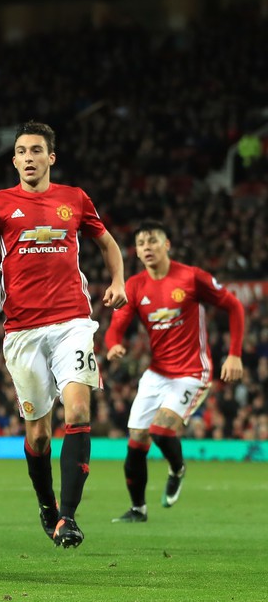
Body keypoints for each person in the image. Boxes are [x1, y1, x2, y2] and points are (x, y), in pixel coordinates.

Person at [0, 121, 127, 549]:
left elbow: (107, 244)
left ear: (51, 157)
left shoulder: (75, 199)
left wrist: (119, 280)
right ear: (13, 160)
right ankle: (46, 503)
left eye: (36, 150)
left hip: (73, 321)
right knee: (38, 435)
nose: (28, 157)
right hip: (23, 331)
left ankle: (68, 517)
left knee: (80, 410)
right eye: (21, 151)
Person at [105, 220, 245, 523]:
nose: (147, 247)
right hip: (157, 373)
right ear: (138, 253)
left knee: (160, 430)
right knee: (137, 439)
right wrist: (114, 344)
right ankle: (138, 509)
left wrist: (234, 354)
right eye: (141, 244)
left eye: (153, 241)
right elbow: (116, 326)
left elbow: (234, 306)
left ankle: (177, 468)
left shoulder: (192, 278)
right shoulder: (135, 285)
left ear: (166, 245)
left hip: (193, 371)